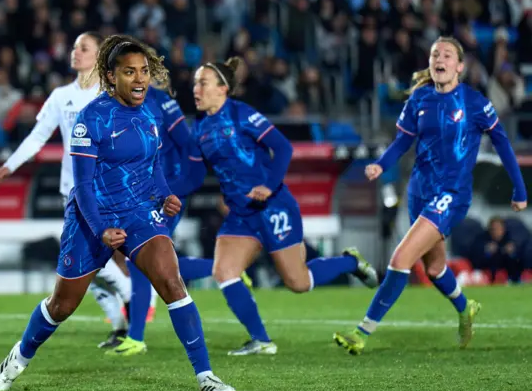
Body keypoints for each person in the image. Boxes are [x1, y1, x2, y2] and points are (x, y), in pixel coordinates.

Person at [0, 34, 235, 391]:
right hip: (92, 218)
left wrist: (165, 193)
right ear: (110, 76)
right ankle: (20, 355)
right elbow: (84, 186)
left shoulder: (150, 114)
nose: (139, 80)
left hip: (138, 211)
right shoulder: (91, 120)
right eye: (129, 72)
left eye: (144, 72)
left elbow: (153, 165)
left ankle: (205, 376)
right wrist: (102, 229)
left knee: (172, 281)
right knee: (62, 305)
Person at [333, 36, 527, 355]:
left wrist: (519, 189)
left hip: (451, 194)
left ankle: (362, 331)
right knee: (435, 268)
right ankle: (466, 308)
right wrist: (381, 165)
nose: (439, 58)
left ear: (459, 67)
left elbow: (503, 143)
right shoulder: (420, 100)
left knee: (400, 259)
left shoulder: (474, 103)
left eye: (447, 54)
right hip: (419, 191)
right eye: (435, 53)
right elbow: (401, 142)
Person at [190, 57, 378, 356]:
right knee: (224, 271)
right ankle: (262, 340)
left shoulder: (241, 114)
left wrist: (270, 186)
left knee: (298, 282)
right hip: (241, 214)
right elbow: (197, 171)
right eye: (195, 82)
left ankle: (351, 262)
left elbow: (283, 146)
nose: (195, 88)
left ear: (222, 88)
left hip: (272, 206)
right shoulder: (200, 128)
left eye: (203, 82)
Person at [0, 32, 132, 347]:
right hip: (74, 191)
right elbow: (38, 136)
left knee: (87, 261)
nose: (75, 52)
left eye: (84, 47)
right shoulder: (60, 96)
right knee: (82, 263)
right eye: (74, 46)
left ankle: (130, 304)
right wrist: (10, 165)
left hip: (106, 190)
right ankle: (124, 320)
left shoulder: (109, 98)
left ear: (99, 56)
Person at [105, 83, 253, 355]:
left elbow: (188, 146)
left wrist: (177, 188)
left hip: (166, 192)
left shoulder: (161, 102)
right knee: (148, 261)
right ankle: (224, 268)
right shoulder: (124, 102)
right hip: (143, 192)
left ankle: (136, 338)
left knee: (141, 260)